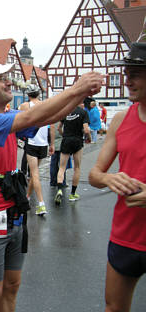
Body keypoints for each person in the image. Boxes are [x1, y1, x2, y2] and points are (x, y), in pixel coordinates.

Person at [0, 60, 104, 312]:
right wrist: (76, 88)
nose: (9, 82)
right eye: (1, 78)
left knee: (12, 286)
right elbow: (33, 115)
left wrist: (81, 93)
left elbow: (50, 115)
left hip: (13, 213)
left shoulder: (6, 116)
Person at [89, 42, 146, 312]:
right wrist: (110, 179)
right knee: (114, 308)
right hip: (125, 234)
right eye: (126, 72)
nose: (127, 80)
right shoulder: (121, 119)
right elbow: (95, 174)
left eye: (135, 73)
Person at [19, 84, 55, 215]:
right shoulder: (45, 105)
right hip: (43, 144)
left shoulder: (25, 106)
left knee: (34, 174)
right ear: (39, 94)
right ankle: (27, 197)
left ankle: (41, 204)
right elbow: (51, 125)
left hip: (32, 142)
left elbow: (18, 120)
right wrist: (52, 144)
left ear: (28, 95)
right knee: (35, 174)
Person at [54, 102, 91, 205]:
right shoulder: (83, 113)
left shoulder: (66, 112)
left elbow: (58, 128)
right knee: (77, 168)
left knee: (61, 167)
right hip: (77, 140)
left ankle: (60, 190)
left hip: (66, 140)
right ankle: (73, 194)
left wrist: (64, 135)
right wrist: (89, 138)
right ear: (80, 103)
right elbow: (87, 130)